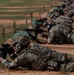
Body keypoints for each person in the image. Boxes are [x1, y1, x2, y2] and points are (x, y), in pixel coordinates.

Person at [0, 37, 74, 72]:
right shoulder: (35, 46)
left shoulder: (25, 55)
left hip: (58, 66)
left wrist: (1, 58)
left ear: (19, 46)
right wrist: (13, 55)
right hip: (61, 58)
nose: (14, 47)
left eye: (14, 45)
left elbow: (10, 66)